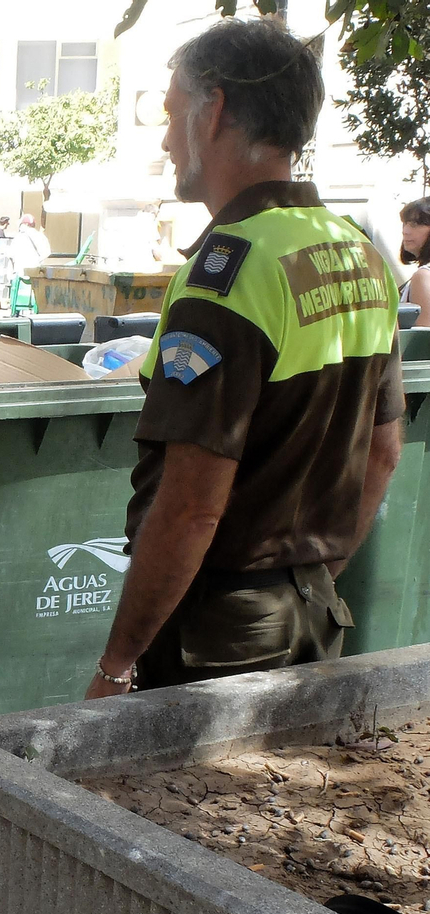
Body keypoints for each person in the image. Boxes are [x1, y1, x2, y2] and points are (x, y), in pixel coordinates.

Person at [85, 19, 403, 701]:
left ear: (215, 110)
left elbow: (191, 507)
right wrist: (313, 574)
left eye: (171, 116)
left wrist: (117, 664)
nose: (167, 141)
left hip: (218, 636)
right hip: (313, 618)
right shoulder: (359, 256)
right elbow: (382, 454)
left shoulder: (227, 275)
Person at [398, 197, 430, 325]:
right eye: (405, 223)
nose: (405, 231)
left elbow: (423, 339)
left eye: (415, 224)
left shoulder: (424, 276)